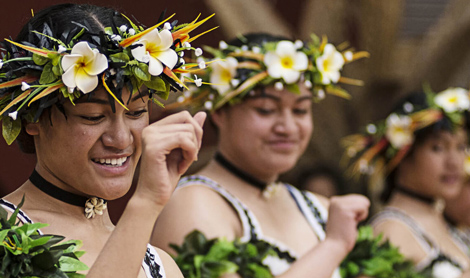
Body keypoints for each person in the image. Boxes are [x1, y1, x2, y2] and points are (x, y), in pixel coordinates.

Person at [0, 3, 213, 277]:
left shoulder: (162, 265)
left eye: (137, 112)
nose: (121, 139)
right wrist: (146, 204)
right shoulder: (7, 236)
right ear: (32, 119)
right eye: (92, 116)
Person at [153, 33, 370, 277]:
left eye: (300, 110)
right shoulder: (191, 203)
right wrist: (334, 245)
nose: (287, 127)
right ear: (219, 112)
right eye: (266, 110)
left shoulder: (319, 208)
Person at [343, 89, 470, 277]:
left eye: (461, 147)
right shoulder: (390, 232)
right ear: (402, 155)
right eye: (438, 148)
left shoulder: (447, 224)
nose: (454, 161)